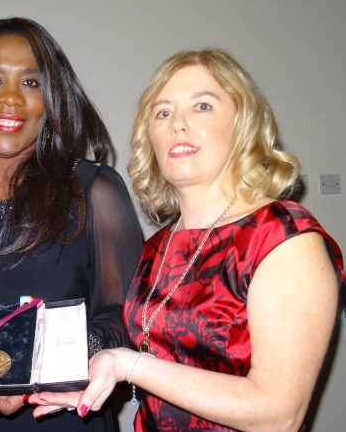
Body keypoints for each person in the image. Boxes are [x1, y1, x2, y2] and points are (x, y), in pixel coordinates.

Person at [31, 49, 345, 430]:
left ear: (242, 124)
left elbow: (278, 415)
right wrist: (94, 379)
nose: (178, 123)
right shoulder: (157, 249)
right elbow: (159, 362)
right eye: (163, 112)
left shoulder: (284, 239)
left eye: (202, 106)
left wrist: (128, 365)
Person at [0, 17, 144, 432]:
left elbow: (128, 319)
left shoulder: (93, 191)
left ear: (51, 99)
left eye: (31, 83)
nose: (11, 99)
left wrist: (36, 366)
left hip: (60, 419)